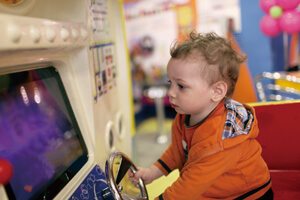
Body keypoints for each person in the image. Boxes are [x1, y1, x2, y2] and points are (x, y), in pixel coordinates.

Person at [129, 31, 273, 200]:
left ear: (217, 91)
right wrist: (153, 172)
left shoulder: (220, 140)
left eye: (181, 86)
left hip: (248, 194)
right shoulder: (184, 116)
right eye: (171, 83)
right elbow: (177, 152)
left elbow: (189, 186)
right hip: (212, 186)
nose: (171, 93)